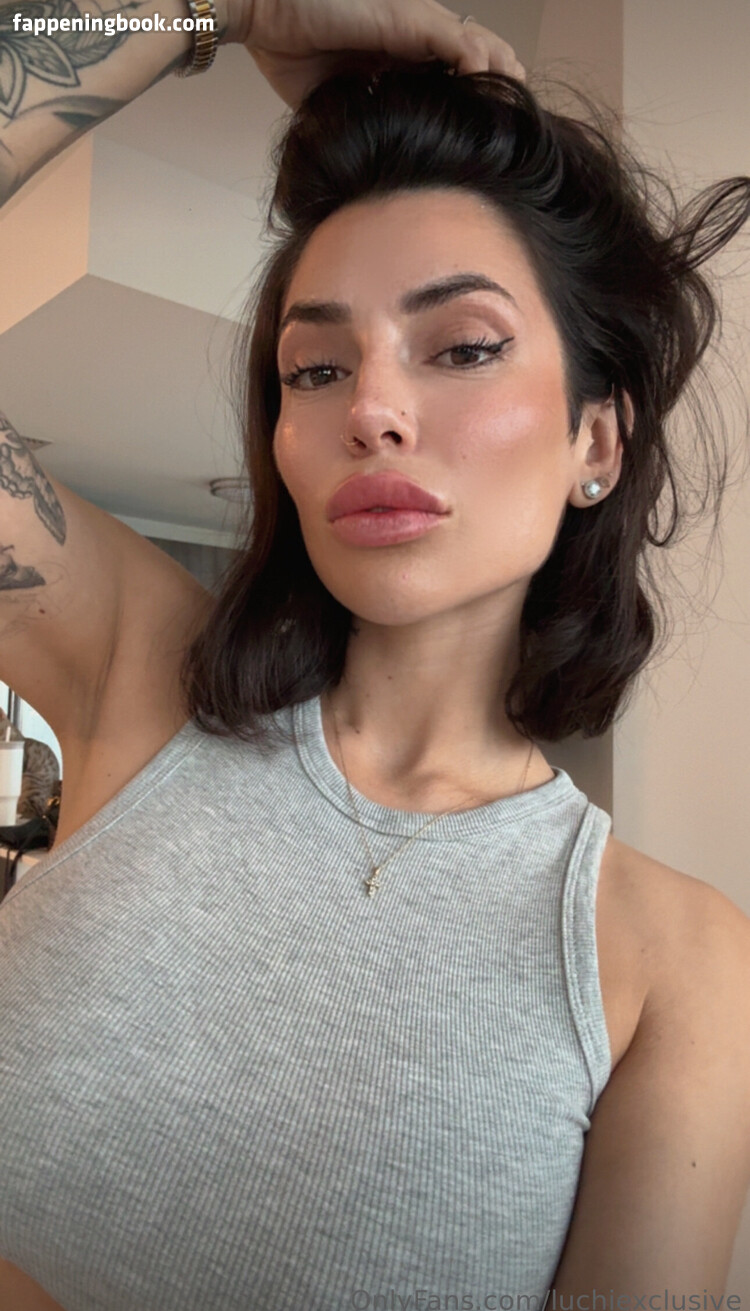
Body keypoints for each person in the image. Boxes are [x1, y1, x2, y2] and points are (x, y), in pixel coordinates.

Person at [0, 1, 748, 1308]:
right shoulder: (141, 677)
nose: (374, 409)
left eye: (462, 348)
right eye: (314, 369)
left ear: (594, 442)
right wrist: (209, 10)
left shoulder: (672, 960)